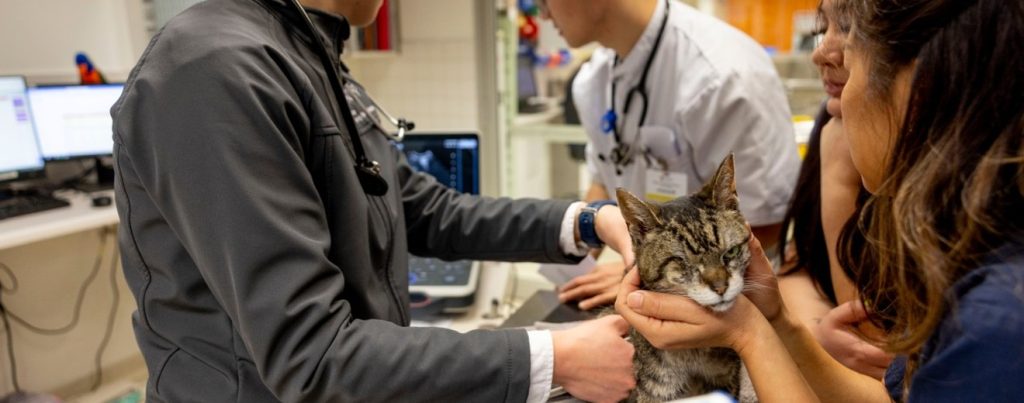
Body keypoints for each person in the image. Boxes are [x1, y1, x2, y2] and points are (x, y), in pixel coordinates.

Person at [110, 0, 638, 401]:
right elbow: (311, 355)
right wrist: (552, 357)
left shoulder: (308, 54)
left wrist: (588, 221)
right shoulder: (216, 69)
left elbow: (425, 211)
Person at [617, 0, 1024, 401]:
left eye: (851, 55)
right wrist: (775, 320)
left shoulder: (990, 325)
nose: (823, 57)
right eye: (820, 29)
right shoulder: (979, 255)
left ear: (916, 87)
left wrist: (749, 334)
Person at [540, 0, 800, 310]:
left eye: (543, 1)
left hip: (735, 301)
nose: (543, 14)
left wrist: (642, 270)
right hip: (656, 285)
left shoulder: (725, 75)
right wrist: (575, 274)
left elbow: (769, 219)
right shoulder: (593, 81)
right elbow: (604, 177)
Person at [775, 0, 891, 379]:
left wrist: (839, 183)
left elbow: (878, 349)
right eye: (823, 28)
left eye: (847, 27)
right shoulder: (834, 119)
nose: (821, 52)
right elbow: (800, 261)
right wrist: (815, 331)